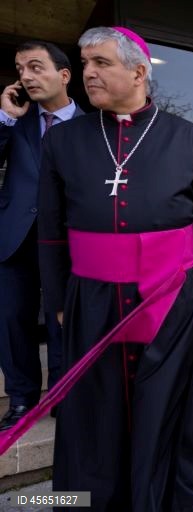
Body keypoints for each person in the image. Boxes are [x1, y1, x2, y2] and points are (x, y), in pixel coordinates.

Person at [36, 27, 193, 510]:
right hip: (92, 297)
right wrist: (58, 301)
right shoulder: (63, 141)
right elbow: (52, 231)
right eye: (85, 64)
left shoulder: (189, 139)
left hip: (170, 294)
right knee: (94, 409)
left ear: (139, 72)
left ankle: (169, 498)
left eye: (100, 63)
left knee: (169, 402)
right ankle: (93, 501)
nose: (88, 73)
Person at [0, 41, 82, 431]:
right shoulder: (14, 120)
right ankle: (21, 400)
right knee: (11, 319)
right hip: (14, 238)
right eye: (20, 69)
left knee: (62, 320)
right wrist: (5, 119)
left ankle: (63, 397)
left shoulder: (90, 124)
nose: (26, 76)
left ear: (63, 75)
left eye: (35, 67)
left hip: (67, 242)